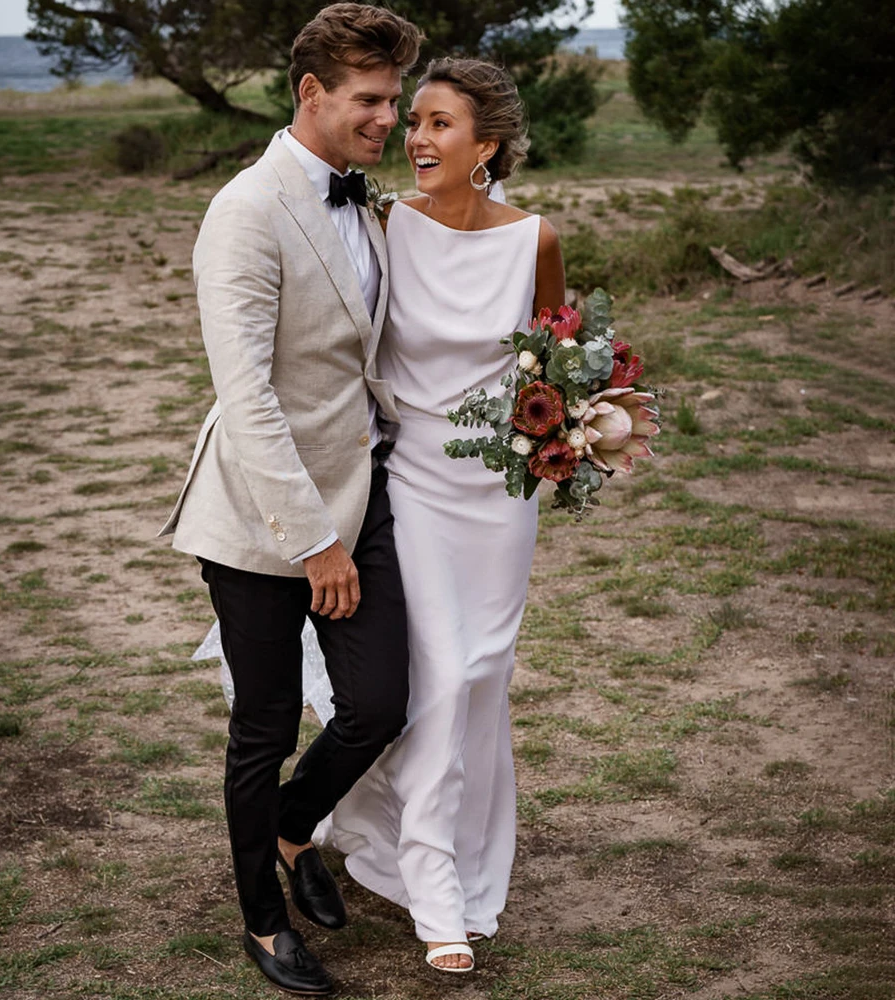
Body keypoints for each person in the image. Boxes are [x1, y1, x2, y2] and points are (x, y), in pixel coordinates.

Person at [158, 5, 422, 995]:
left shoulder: (363, 202)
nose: (387, 118)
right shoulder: (244, 209)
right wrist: (314, 542)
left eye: (393, 98)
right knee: (263, 725)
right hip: (264, 515)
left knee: (379, 702)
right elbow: (249, 398)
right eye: (368, 99)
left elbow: (367, 357)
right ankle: (264, 926)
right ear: (310, 93)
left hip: (367, 489)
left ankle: (289, 821)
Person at [322, 57, 566, 973]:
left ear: (487, 145)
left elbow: (557, 357)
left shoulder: (535, 239)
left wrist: (571, 436)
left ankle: (459, 853)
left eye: (437, 124)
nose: (414, 138)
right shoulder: (389, 227)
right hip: (414, 482)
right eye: (412, 120)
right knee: (441, 674)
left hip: (501, 496)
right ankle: (437, 898)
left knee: (484, 677)